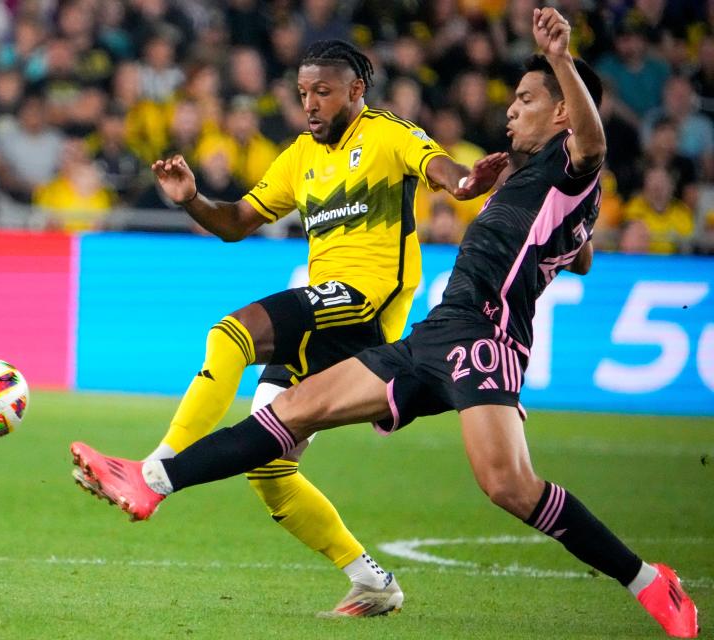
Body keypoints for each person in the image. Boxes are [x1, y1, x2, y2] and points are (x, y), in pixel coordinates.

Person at [69, 11, 698, 638]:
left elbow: (587, 149)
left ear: (564, 111)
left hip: (484, 340)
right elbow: (578, 252)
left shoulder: (573, 161)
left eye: (527, 99)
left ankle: (648, 581)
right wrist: (563, 228)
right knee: (288, 414)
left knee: (510, 487)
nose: (510, 111)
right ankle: (151, 480)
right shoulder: (536, 177)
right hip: (433, 334)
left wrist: (559, 58)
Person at [72, 38, 508, 618]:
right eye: (303, 93)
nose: (310, 104)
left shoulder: (387, 134)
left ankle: (150, 472)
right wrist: (192, 199)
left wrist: (466, 183)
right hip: (326, 309)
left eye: (323, 92)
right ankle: (372, 581)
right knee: (270, 468)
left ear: (357, 90)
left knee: (233, 332)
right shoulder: (299, 156)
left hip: (363, 306)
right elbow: (235, 224)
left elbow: (442, 171)